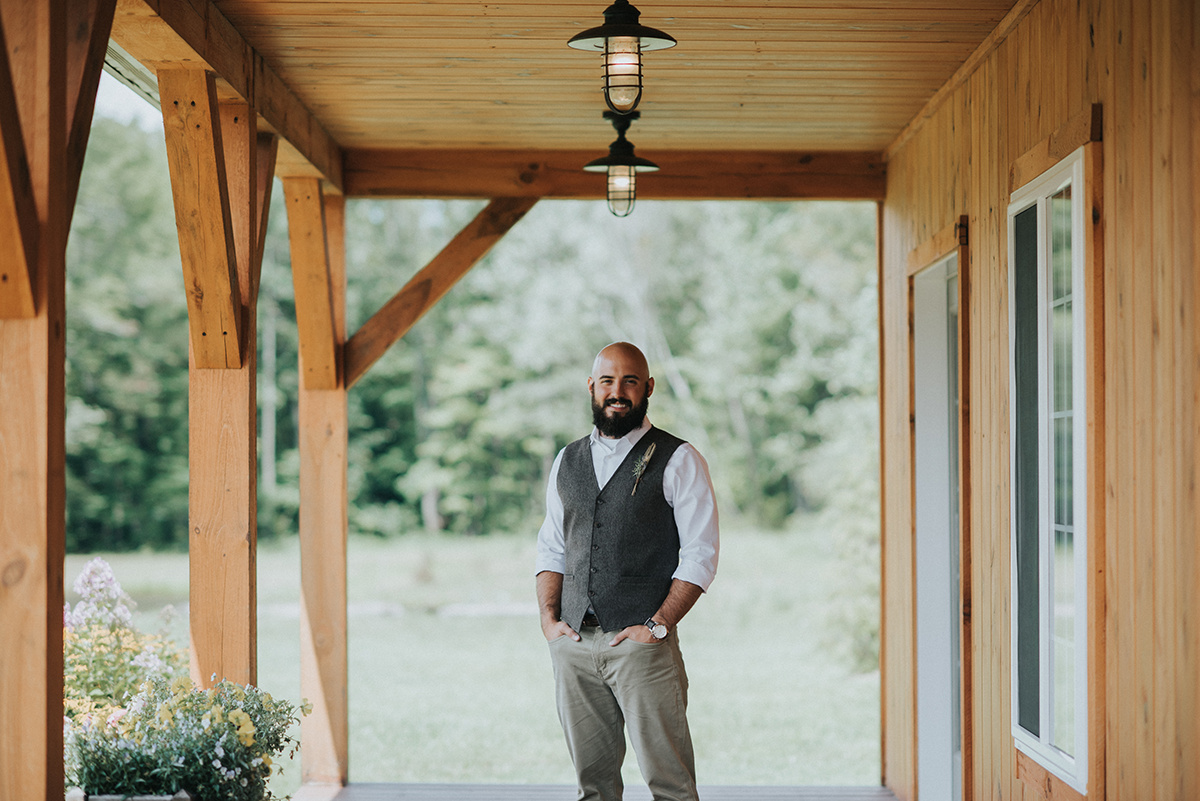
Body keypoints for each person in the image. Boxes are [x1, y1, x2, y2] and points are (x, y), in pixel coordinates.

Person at [536, 341, 719, 801]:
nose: (617, 391)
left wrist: (657, 627)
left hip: (644, 649)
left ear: (648, 388)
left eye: (630, 381)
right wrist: (549, 621)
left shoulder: (679, 459)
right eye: (607, 381)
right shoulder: (566, 460)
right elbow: (552, 547)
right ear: (592, 388)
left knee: (671, 786)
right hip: (574, 646)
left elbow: (700, 555)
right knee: (593, 788)